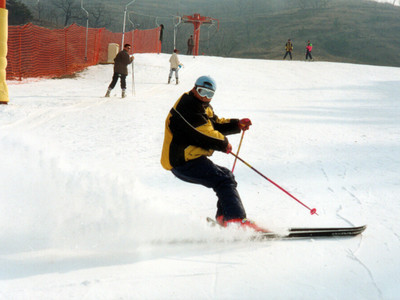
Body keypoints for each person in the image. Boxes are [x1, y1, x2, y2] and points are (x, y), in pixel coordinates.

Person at [161, 75, 265, 232]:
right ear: (195, 88)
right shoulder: (187, 107)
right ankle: (235, 220)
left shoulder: (202, 105)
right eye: (202, 92)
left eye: (209, 94)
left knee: (225, 176)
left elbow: (215, 124)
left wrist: (237, 125)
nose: (205, 97)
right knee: (223, 179)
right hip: (182, 161)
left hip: (191, 157)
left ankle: (225, 217)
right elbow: (204, 132)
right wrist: (223, 143)